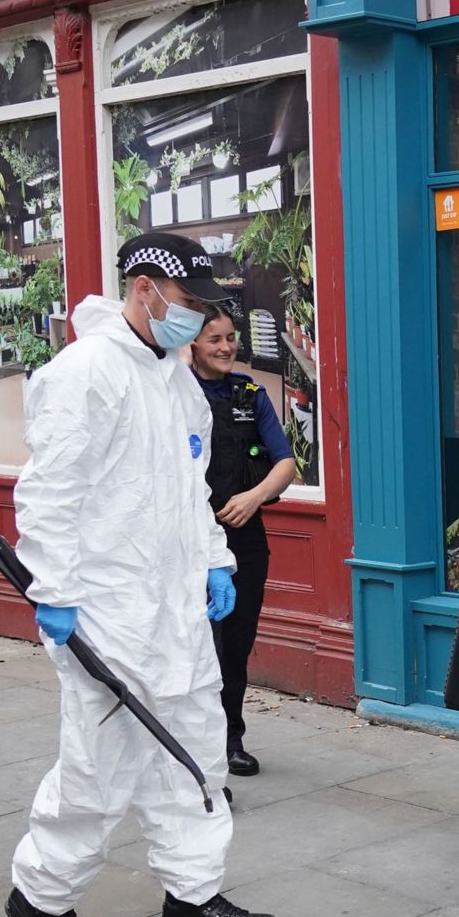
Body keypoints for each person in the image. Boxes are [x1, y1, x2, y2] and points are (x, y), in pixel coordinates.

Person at [8, 232, 280, 917]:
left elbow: (191, 489)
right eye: (189, 305)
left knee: (194, 753)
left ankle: (192, 897)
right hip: (104, 610)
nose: (196, 320)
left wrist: (216, 559)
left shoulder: (174, 378)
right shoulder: (85, 373)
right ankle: (42, 892)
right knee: (101, 765)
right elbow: (49, 493)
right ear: (144, 290)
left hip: (174, 608)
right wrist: (57, 593)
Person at [190, 305, 297, 777]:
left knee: (234, 645)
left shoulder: (249, 395)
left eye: (231, 337)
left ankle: (230, 738)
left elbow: (286, 464)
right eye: (214, 338)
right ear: (193, 343)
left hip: (244, 540)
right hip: (187, 540)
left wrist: (254, 497)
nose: (226, 347)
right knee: (192, 646)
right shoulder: (175, 393)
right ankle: (191, 743)